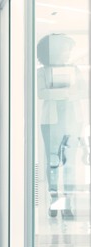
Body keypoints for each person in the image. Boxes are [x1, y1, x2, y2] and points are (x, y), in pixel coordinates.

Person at [36, 34, 88, 219]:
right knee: (53, 163)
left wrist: (60, 93)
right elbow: (42, 93)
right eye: (66, 50)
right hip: (51, 122)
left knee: (70, 164)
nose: (68, 54)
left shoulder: (75, 70)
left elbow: (84, 91)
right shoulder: (42, 72)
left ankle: (67, 205)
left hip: (73, 121)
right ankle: (55, 202)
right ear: (55, 51)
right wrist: (68, 93)